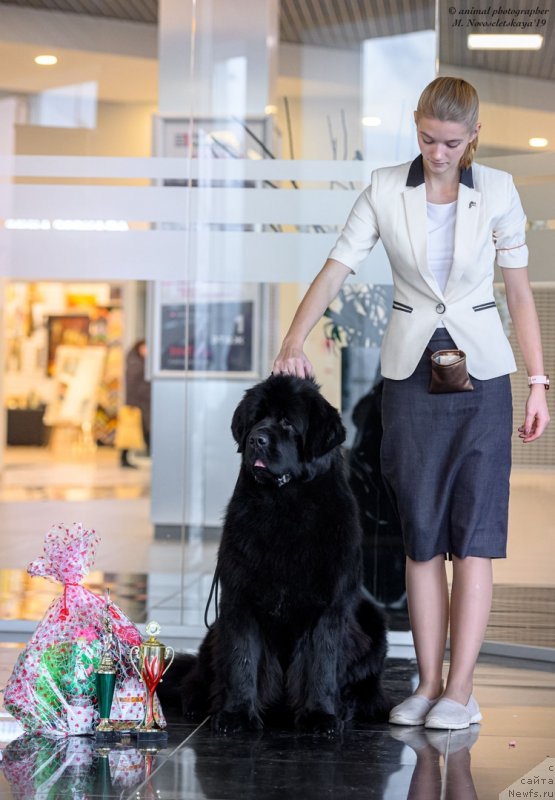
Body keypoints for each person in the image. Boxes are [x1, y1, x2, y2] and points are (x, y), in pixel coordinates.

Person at [273, 77, 550, 730]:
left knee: (473, 537)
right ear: (415, 127)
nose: (437, 152)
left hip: (480, 375)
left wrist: (538, 381)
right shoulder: (382, 188)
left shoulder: (500, 193)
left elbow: (517, 294)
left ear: (473, 136)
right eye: (427, 138)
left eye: (451, 142)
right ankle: (426, 686)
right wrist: (294, 335)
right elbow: (337, 265)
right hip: (409, 376)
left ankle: (461, 690)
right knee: (421, 538)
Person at [120, 339, 151, 468]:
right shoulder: (136, 364)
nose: (147, 351)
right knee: (139, 431)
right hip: (137, 404)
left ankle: (125, 458)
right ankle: (124, 458)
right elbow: (133, 386)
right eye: (145, 348)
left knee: (143, 432)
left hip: (141, 403)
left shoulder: (140, 363)